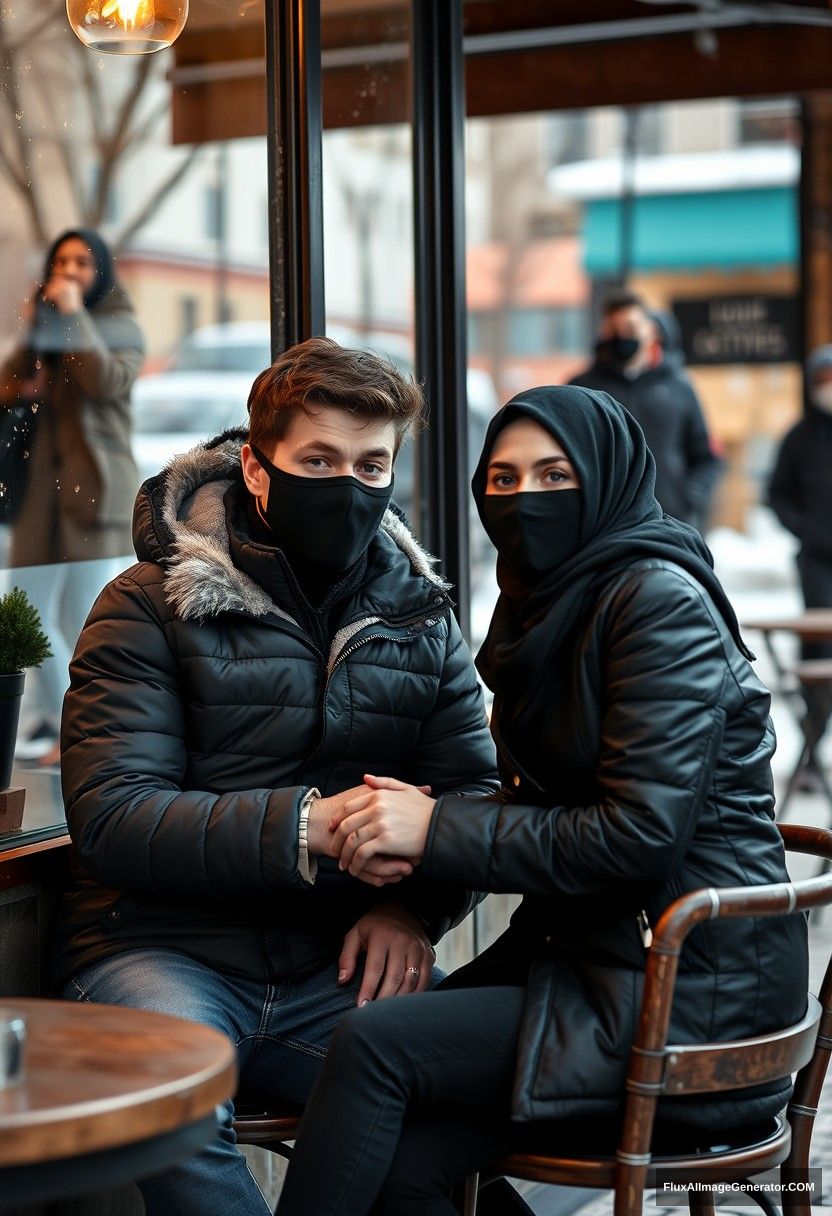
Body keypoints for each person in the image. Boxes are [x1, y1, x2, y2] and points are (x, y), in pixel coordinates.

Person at [275, 385, 808, 1216]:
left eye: (556, 475)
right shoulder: (548, 608)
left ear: (607, 478)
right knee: (398, 1158)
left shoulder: (653, 601)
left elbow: (638, 836)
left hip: (693, 993)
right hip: (594, 960)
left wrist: (434, 827)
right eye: (503, 480)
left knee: (373, 1049)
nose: (526, 500)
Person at [51, 337, 501, 1216]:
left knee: (469, 1095)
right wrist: (308, 827)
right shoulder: (146, 605)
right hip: (159, 952)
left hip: (331, 968)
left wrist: (411, 910)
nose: (349, 487)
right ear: (257, 471)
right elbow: (114, 815)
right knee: (176, 1111)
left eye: (373, 465)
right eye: (319, 460)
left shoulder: (420, 616)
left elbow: (471, 797)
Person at [0, 228, 144, 766]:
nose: (70, 272)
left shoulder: (119, 326)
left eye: (82, 263)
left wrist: (72, 315)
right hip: (41, 496)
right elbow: (9, 386)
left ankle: (82, 736)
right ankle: (69, 726)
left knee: (86, 621)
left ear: (101, 271)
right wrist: (37, 329)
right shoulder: (52, 328)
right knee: (26, 613)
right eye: (62, 262)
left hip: (96, 494)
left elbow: (105, 381)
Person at [570, 289, 721, 529]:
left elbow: (706, 457)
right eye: (613, 330)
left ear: (651, 332)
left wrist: (689, 498)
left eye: (630, 328)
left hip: (671, 523)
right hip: (603, 527)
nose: (621, 337)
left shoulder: (679, 387)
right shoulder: (581, 389)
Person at [769, 343, 832, 790]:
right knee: (821, 657)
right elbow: (777, 495)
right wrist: (805, 529)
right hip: (817, 562)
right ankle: (811, 756)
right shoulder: (799, 437)